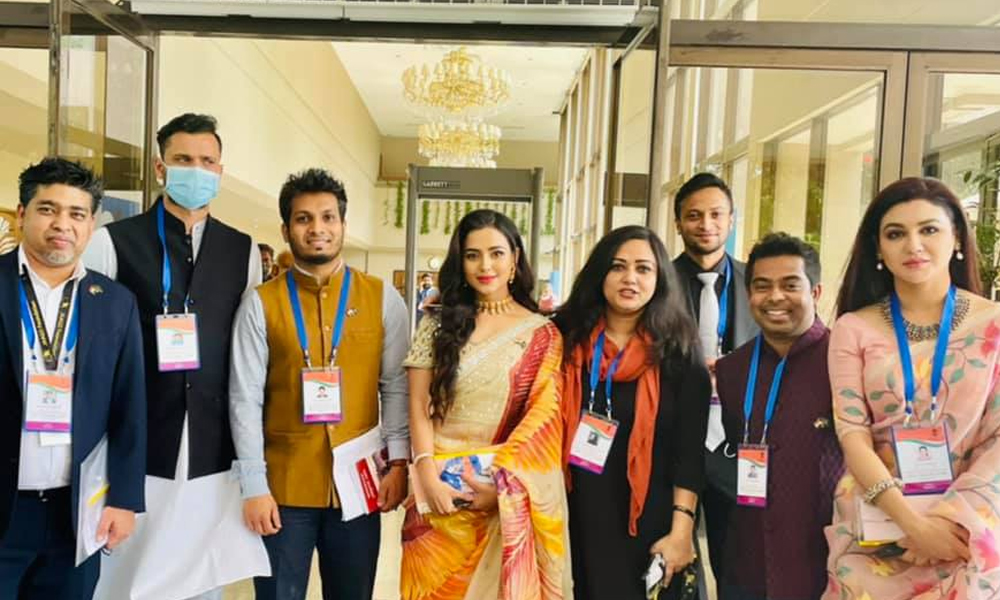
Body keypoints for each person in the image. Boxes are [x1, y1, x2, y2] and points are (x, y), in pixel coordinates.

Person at [84, 113, 269, 600]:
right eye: (184, 159)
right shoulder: (113, 243)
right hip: (138, 439)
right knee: (126, 578)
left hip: (213, 444)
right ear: (160, 167)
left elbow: (245, 352)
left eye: (207, 161)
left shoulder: (243, 250)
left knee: (202, 580)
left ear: (220, 170)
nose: (197, 170)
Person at [229, 168, 410, 600]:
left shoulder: (382, 298)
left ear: (343, 224)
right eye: (304, 219)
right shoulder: (260, 303)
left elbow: (396, 386)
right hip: (283, 488)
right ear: (286, 229)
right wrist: (253, 486)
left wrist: (399, 464)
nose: (317, 229)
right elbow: (244, 398)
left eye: (328, 217)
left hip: (359, 484)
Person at [824, 177, 1000, 598]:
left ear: (957, 238)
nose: (913, 245)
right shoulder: (853, 328)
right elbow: (852, 432)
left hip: (967, 529)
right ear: (878, 249)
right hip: (874, 528)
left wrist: (947, 521)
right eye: (895, 234)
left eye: (929, 229)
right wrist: (911, 523)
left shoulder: (993, 323)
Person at [401, 209, 571, 600]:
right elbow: (418, 405)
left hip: (500, 500)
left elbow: (543, 427)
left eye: (496, 253)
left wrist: (505, 492)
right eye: (472, 255)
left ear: (515, 259)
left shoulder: (543, 334)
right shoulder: (436, 324)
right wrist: (426, 478)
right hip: (436, 502)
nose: (485, 266)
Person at [0, 158, 146, 599]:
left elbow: (129, 406)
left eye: (77, 214)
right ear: (22, 214)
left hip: (77, 512)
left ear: (91, 225)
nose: (62, 224)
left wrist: (125, 499)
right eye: (47, 209)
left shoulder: (115, 302)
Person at [555, 225, 710, 600]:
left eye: (643, 268)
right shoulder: (563, 339)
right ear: (600, 273)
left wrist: (682, 531)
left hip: (647, 522)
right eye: (618, 266)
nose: (630, 278)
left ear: (659, 279)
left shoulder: (679, 352)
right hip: (571, 514)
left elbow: (689, 453)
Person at [714, 232, 844, 600]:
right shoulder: (732, 370)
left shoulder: (844, 362)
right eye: (762, 286)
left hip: (825, 563)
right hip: (748, 563)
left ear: (815, 293)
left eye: (790, 285)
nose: (774, 297)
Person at [671, 173, 758, 582]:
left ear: (731, 219)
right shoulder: (656, 283)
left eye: (716, 214)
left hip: (738, 444)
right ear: (678, 223)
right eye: (694, 215)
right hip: (671, 441)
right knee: (672, 569)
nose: (706, 224)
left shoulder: (757, 282)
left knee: (738, 567)